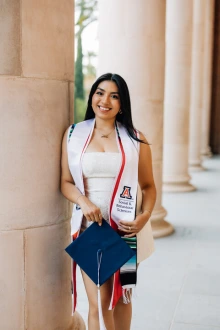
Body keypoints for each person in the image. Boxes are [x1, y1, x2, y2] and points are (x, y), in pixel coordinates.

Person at [61, 73, 156, 330]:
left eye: (114, 96)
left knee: (121, 299)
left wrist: (144, 217)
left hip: (124, 229)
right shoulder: (74, 135)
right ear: (92, 96)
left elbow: (148, 187)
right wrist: (84, 201)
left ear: (122, 103)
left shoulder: (136, 139)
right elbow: (65, 183)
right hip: (90, 229)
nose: (105, 100)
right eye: (100, 93)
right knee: (99, 302)